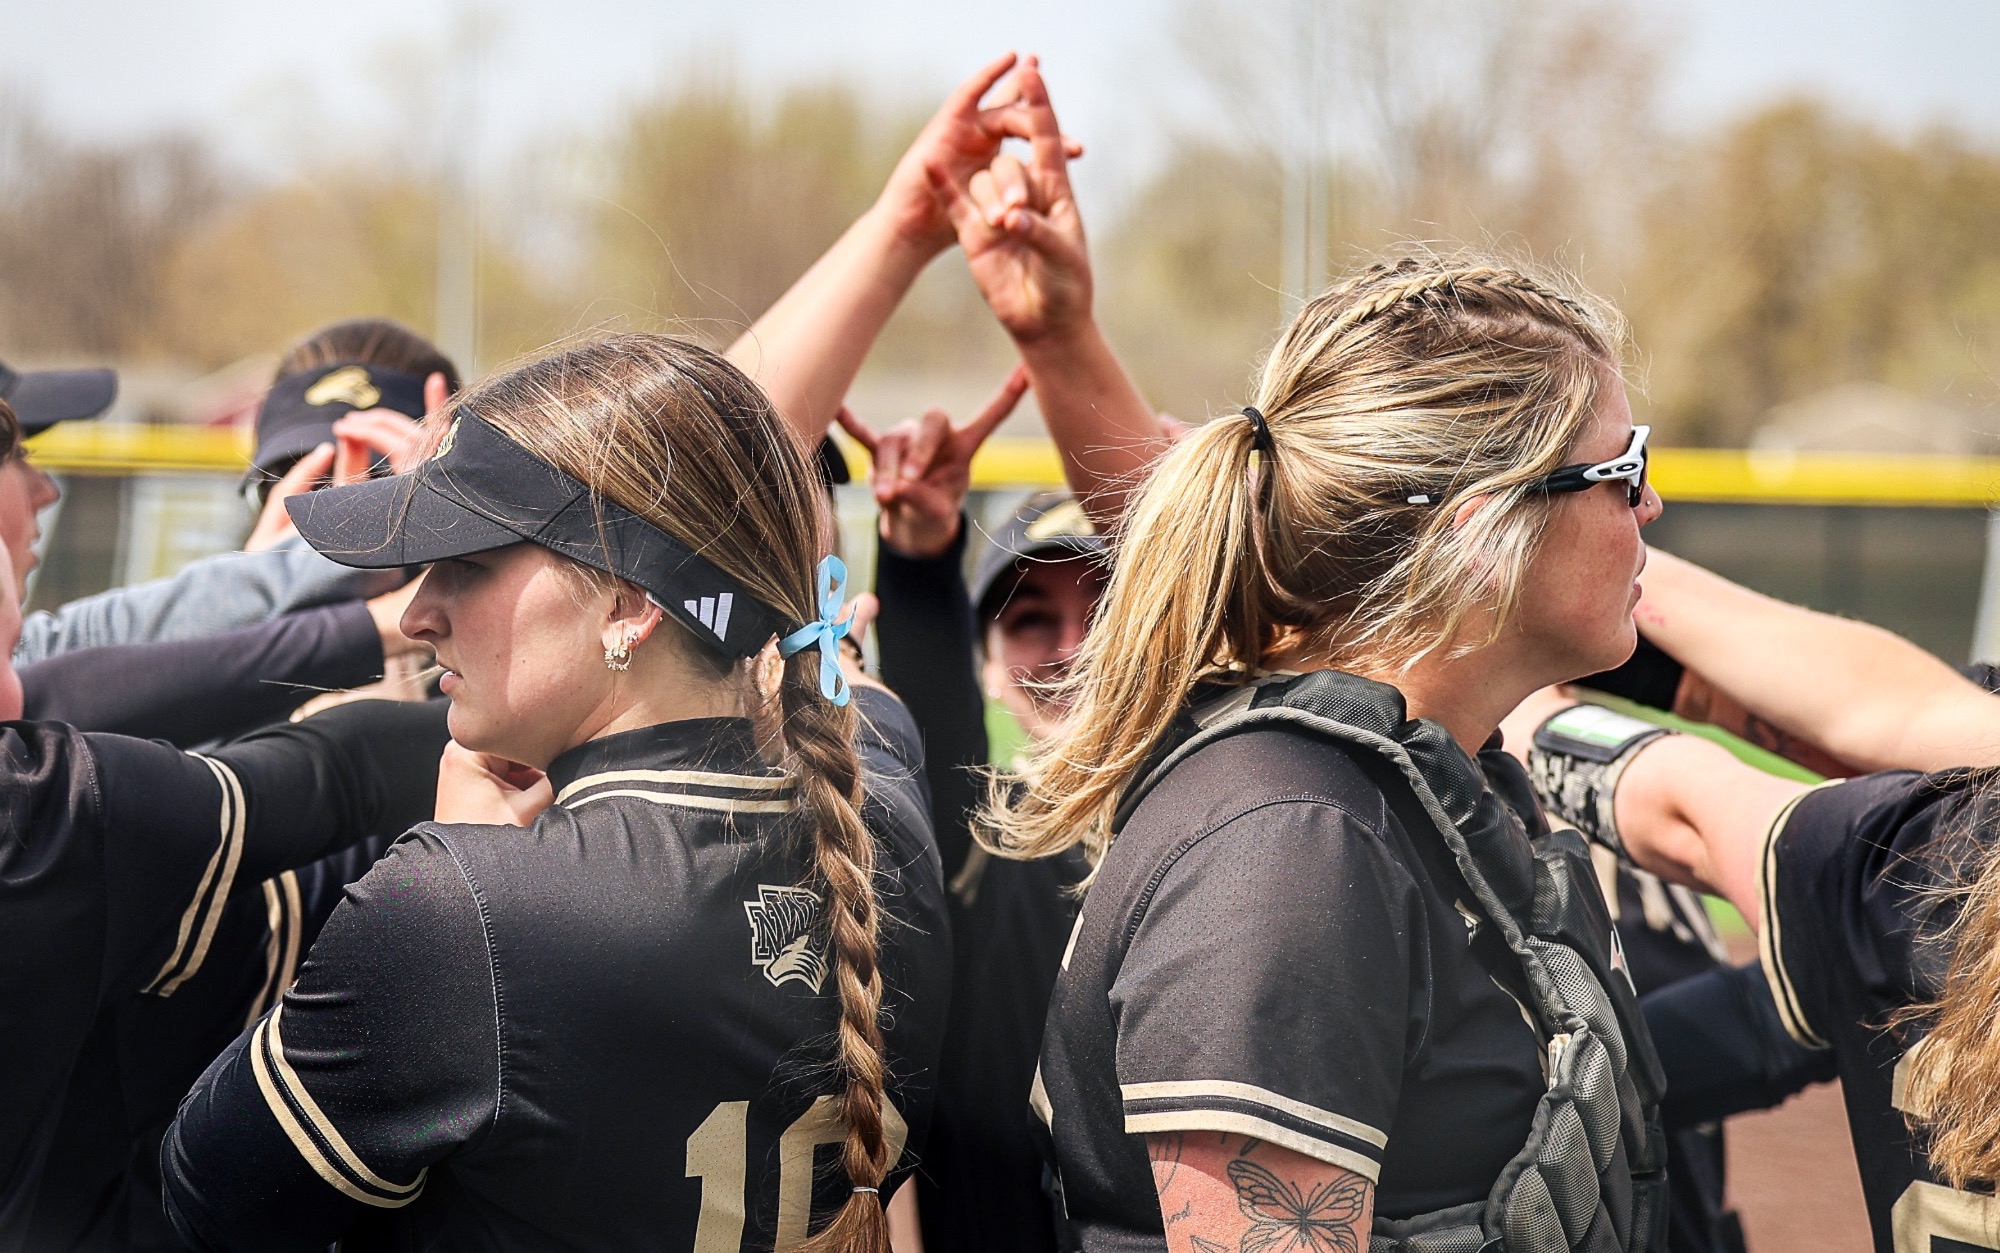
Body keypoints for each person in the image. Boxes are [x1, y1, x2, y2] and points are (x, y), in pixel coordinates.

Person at [162, 335, 951, 1252]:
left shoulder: (460, 909)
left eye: (467, 560)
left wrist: (463, 871)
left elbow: (207, 1195)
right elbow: (872, 709)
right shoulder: (887, 819)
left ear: (628, 602)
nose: (418, 613)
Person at [978, 253, 1670, 1253]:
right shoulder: (1289, 841)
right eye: (1622, 469)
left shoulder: (1408, 786)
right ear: (1484, 534)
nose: (1649, 505)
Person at [0, 389, 453, 1250]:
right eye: (17, 451)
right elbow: (327, 780)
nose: (44, 486)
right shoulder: (42, 805)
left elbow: (128, 661)